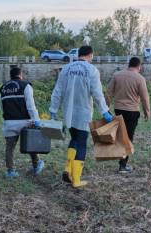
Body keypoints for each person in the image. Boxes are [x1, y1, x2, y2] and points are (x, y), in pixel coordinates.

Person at [49, 45, 112, 188]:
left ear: (78, 54)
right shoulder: (92, 70)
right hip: (83, 112)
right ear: (90, 55)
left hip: (68, 112)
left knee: (74, 139)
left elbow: (57, 90)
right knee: (82, 143)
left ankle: (67, 169)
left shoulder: (66, 69)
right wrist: (104, 111)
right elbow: (97, 93)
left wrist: (53, 109)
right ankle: (76, 179)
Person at [107, 57, 151, 173]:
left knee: (121, 136)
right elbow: (144, 98)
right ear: (139, 66)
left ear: (129, 64)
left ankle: (121, 161)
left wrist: (106, 108)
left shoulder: (117, 75)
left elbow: (109, 93)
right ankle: (123, 165)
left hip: (118, 109)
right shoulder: (140, 78)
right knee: (129, 137)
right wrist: (147, 111)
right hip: (132, 111)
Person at [0, 67, 44, 178]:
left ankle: (10, 171)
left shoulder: (3, 88)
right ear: (21, 75)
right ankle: (36, 164)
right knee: (30, 144)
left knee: (9, 148)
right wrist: (36, 120)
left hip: (9, 123)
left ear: (10, 76)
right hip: (25, 122)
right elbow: (30, 105)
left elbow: (1, 106)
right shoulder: (26, 85)